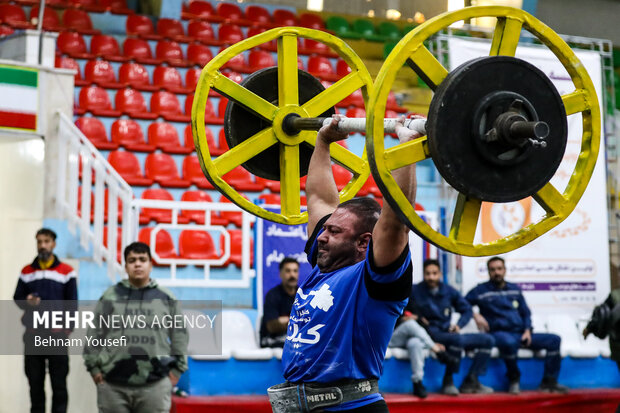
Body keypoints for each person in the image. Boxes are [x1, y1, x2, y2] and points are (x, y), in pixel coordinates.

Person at [267, 115, 418, 413]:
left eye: (333, 232)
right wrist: (323, 141)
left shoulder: (375, 281)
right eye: (325, 229)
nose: (320, 236)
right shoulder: (322, 267)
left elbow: (394, 224)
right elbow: (319, 198)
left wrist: (406, 149)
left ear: (364, 242)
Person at [83, 242, 188, 413]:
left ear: (150, 265)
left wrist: (177, 370)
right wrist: (93, 368)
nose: (137, 264)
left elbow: (180, 336)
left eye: (142, 259)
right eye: (132, 260)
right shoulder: (110, 296)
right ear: (126, 266)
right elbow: (94, 334)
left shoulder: (166, 298)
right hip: (113, 386)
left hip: (155, 385)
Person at [465, 256, 568, 394]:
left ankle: (549, 382)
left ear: (505, 270)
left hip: (520, 333)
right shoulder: (480, 291)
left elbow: (525, 313)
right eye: (493, 269)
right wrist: (475, 315)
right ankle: (514, 379)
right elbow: (461, 303)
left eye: (499, 269)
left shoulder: (515, 289)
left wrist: (527, 330)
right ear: (488, 272)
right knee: (508, 342)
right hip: (499, 334)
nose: (497, 272)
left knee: (554, 340)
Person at [13, 228, 77, 413]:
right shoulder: (27, 271)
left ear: (54, 244)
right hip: (32, 337)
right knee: (35, 386)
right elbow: (17, 298)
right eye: (39, 241)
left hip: (57, 337)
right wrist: (27, 301)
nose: (42, 245)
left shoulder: (67, 272)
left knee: (59, 386)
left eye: (46, 241)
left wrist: (66, 331)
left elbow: (72, 304)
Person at [409, 259, 494, 396]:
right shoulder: (414, 291)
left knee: (488, 340)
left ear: (440, 274)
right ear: (423, 274)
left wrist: (459, 325)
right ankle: (448, 381)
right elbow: (404, 312)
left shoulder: (449, 291)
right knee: (457, 340)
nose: (431, 277)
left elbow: (467, 309)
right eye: (428, 273)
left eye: (434, 273)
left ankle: (471, 379)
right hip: (429, 333)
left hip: (448, 333)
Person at [388, 307, 455, 398]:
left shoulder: (413, 303)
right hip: (391, 338)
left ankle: (417, 382)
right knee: (410, 324)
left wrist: (416, 318)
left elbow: (424, 326)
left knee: (415, 343)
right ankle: (439, 352)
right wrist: (402, 319)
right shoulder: (390, 302)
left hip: (411, 339)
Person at [260, 257, 300, 348]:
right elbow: (272, 326)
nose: (292, 275)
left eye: (295, 271)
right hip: (273, 340)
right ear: (280, 274)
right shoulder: (272, 295)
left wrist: (285, 320)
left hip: (295, 340)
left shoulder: (303, 295)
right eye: (288, 271)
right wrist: (296, 321)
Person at [583, 287, 620, 367]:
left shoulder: (615, 295)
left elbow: (601, 315)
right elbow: (601, 315)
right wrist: (589, 328)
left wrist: (588, 329)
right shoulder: (615, 296)